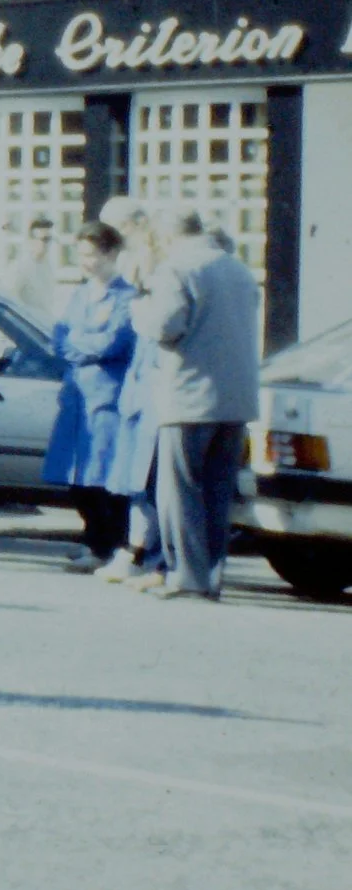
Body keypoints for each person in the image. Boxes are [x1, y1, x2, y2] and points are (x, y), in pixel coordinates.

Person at [132, 211, 263, 601]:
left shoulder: (177, 269)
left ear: (168, 236)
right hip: (236, 397)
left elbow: (165, 326)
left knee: (180, 490)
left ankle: (188, 577)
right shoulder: (239, 269)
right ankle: (212, 576)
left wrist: (139, 311)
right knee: (218, 492)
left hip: (189, 394)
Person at [43, 221, 136, 571]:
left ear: (111, 254)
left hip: (106, 399)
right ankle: (93, 540)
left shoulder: (126, 298)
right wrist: (81, 346)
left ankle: (108, 546)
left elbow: (112, 342)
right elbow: (58, 338)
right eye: (80, 254)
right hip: (76, 398)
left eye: (92, 255)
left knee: (104, 475)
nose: (85, 262)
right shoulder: (80, 295)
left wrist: (77, 345)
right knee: (75, 475)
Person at [99, 199, 166, 585]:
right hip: (138, 384)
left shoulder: (149, 261)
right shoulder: (134, 260)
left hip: (151, 384)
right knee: (134, 475)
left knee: (146, 477)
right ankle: (136, 548)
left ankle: (143, 551)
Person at [6, 213, 62, 325]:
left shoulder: (47, 265)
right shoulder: (19, 267)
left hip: (43, 325)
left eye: (49, 239)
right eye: (44, 239)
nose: (47, 244)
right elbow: (9, 301)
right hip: (26, 326)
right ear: (31, 240)